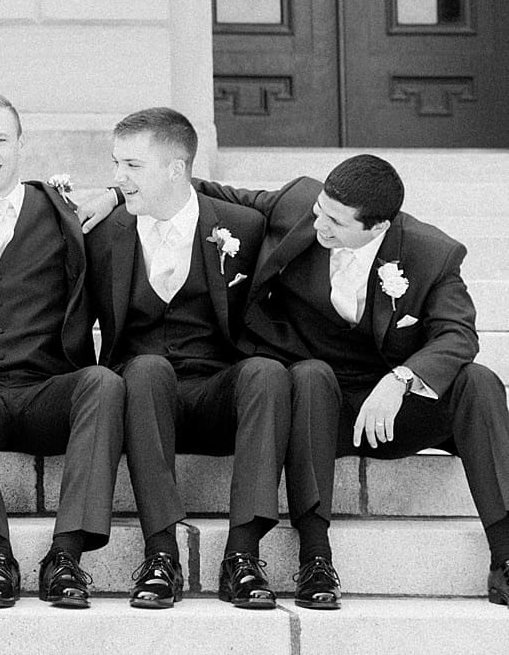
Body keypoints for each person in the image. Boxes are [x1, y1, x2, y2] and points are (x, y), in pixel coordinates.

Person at [193, 155, 509, 609]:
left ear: (378, 226)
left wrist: (400, 380)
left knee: (479, 382)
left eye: (337, 222)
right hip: (312, 405)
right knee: (310, 374)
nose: (320, 224)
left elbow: (458, 334)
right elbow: (208, 193)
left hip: (390, 411)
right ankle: (316, 560)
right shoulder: (301, 204)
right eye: (321, 210)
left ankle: (505, 557)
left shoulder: (431, 253)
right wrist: (119, 194)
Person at [0, 93, 123, 609]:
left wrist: (117, 193)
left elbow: (159, 188)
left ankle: (65, 557)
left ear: (20, 144)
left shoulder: (58, 211)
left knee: (104, 382)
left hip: (45, 392)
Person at [84, 107, 285, 610]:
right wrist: (116, 195)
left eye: (132, 166)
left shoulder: (243, 227)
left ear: (176, 169)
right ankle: (160, 555)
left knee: (266, 372)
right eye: (116, 165)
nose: (118, 178)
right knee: (147, 368)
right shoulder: (103, 233)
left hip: (218, 387)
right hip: (144, 395)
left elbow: (304, 201)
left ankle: (242, 555)